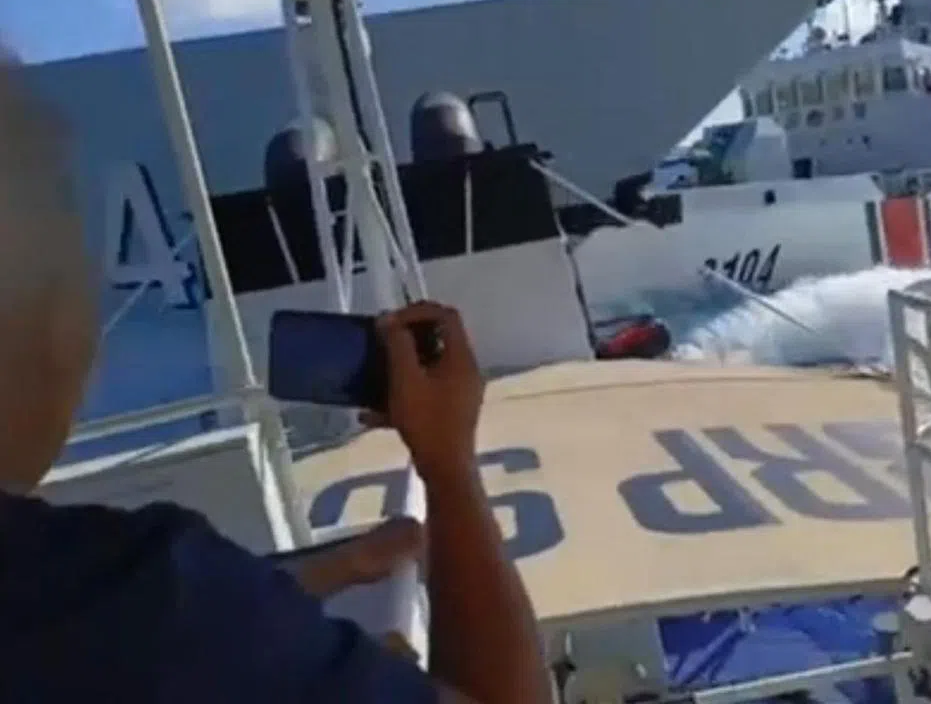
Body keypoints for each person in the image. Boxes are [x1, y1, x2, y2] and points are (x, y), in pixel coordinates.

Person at [0, 54, 551, 703]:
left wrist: (336, 568)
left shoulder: (143, 609)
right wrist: (448, 465)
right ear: (50, 331)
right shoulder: (152, 603)